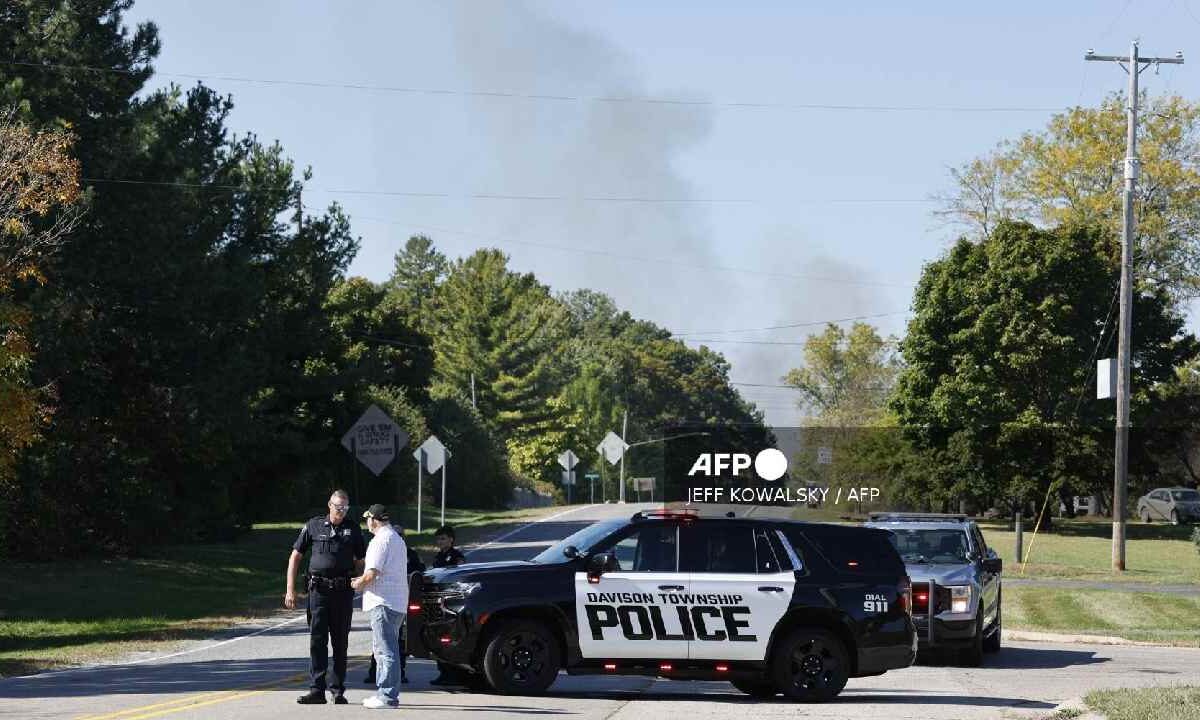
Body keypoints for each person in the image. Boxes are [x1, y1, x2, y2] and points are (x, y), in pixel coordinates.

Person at [285, 490, 366, 705]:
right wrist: (290, 589)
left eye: (345, 508)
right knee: (317, 640)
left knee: (340, 642)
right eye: (338, 507)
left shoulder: (353, 529)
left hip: (342, 592)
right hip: (318, 591)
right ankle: (317, 690)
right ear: (329, 505)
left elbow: (361, 561)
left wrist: (363, 583)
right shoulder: (314, 525)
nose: (341, 512)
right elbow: (295, 556)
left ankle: (337, 690)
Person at [352, 504, 409, 709]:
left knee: (385, 650)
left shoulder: (379, 541)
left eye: (368, 518)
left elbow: (371, 573)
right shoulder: (396, 539)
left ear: (374, 520)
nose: (367, 522)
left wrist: (357, 583)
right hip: (397, 602)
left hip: (382, 602)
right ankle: (384, 694)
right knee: (386, 648)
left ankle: (387, 696)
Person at [365, 531, 425, 685]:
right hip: (393, 600)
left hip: (396, 600)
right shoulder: (387, 551)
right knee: (380, 643)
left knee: (391, 644)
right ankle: (375, 674)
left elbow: (418, 572)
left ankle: (390, 686)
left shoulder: (408, 553)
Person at [429, 525, 468, 687]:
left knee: (450, 638)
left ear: (451, 540)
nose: (440, 541)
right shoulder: (438, 557)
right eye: (438, 539)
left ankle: (455, 673)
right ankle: (443, 672)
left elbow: (460, 576)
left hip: (451, 602)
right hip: (438, 601)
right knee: (437, 638)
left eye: (443, 538)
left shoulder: (457, 556)